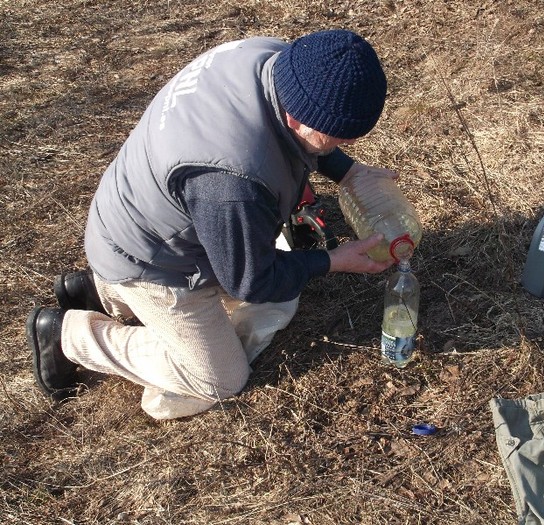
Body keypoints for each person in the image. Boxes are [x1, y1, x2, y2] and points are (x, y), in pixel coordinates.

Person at [26, 29, 397, 419]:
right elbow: (251, 282)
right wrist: (335, 260)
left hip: (134, 214)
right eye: (338, 139)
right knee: (220, 378)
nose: (345, 146)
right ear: (297, 116)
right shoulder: (232, 181)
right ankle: (67, 335)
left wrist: (350, 173)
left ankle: (97, 290)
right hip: (153, 259)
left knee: (268, 259)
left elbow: (305, 133)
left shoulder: (271, 59)